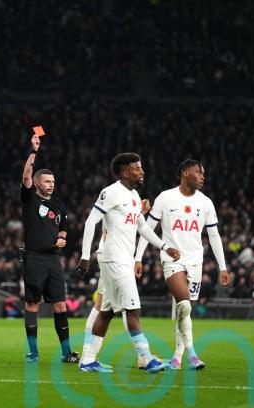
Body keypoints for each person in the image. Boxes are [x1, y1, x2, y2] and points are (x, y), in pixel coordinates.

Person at [77, 152, 180, 373]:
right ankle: (146, 358)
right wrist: (85, 256)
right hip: (115, 258)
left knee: (106, 312)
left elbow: (142, 228)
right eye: (137, 168)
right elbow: (90, 222)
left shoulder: (133, 195)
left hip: (123, 259)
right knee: (133, 309)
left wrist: (164, 246)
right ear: (125, 172)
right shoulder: (111, 192)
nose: (142, 171)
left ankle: (88, 360)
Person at [135, 159, 230, 370]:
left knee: (184, 310)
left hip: (196, 261)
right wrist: (138, 257)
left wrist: (222, 266)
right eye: (199, 172)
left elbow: (214, 236)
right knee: (184, 305)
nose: (202, 176)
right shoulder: (166, 198)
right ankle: (192, 355)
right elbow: (147, 228)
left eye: (203, 173)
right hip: (172, 259)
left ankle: (177, 358)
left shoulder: (205, 203)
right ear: (186, 173)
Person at [20, 133, 79, 364]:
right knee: (32, 304)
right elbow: (26, 175)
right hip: (34, 258)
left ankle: (66, 353)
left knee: (61, 305)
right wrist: (34, 151)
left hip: (53, 259)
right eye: (47, 182)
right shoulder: (29, 199)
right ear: (37, 183)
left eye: (53, 182)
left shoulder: (58, 205)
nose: (51, 185)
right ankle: (33, 352)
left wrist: (62, 239)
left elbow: (63, 228)